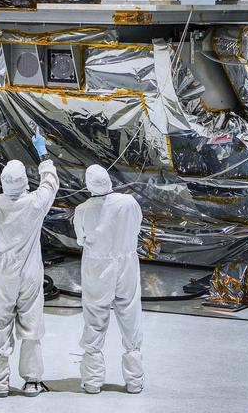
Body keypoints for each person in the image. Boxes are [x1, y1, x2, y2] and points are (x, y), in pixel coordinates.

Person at [0, 128, 59, 398]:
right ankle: (32, 382)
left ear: (2, 181)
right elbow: (51, 181)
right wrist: (42, 151)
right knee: (31, 325)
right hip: (30, 273)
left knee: (0, 326)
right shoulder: (35, 203)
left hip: (0, 274)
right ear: (23, 182)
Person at [73, 164, 144, 395]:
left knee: (95, 320)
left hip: (97, 267)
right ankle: (135, 381)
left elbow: (81, 239)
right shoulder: (129, 202)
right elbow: (136, 227)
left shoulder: (83, 209)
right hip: (126, 264)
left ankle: (93, 382)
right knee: (130, 317)